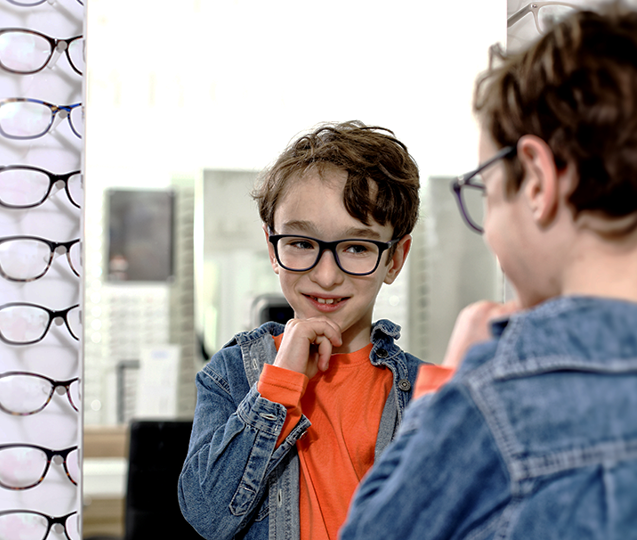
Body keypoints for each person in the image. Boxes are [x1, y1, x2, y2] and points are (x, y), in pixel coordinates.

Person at [340, 3, 637, 539]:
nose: (490, 230)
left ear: (538, 183)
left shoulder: (497, 400)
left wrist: (450, 379)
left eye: (487, 190)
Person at [178, 120, 425, 540]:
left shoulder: (423, 392)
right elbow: (207, 516)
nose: (326, 276)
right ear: (271, 246)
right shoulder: (233, 373)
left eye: (357, 247)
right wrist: (276, 387)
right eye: (301, 243)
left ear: (395, 259)